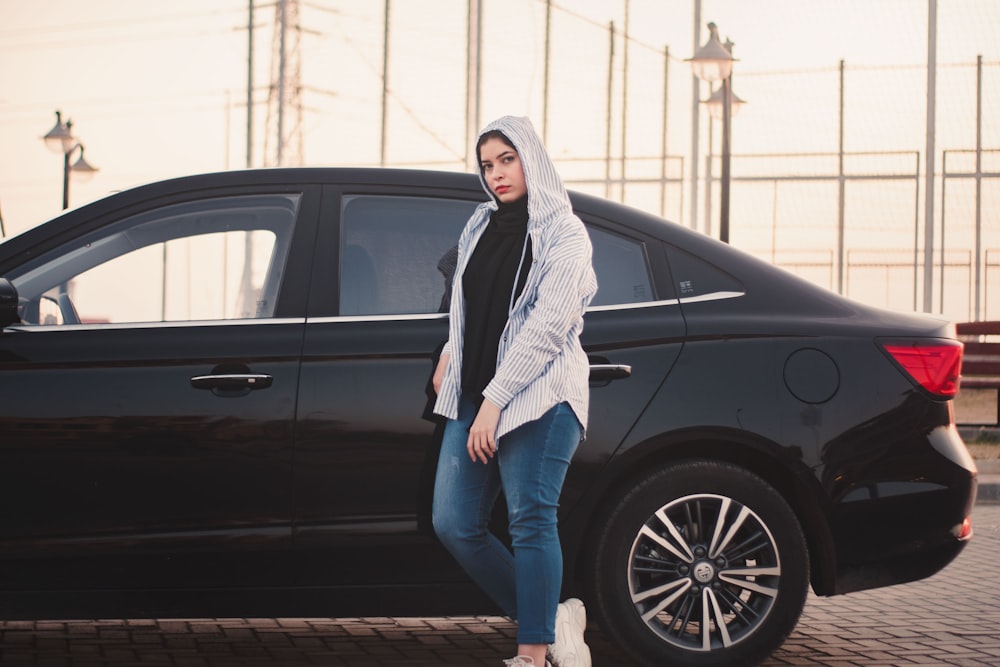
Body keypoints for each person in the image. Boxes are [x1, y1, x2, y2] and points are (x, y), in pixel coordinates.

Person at [431, 115, 597, 667]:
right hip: (476, 396)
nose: (497, 174)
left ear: (532, 158)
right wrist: (450, 353)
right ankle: (552, 621)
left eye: (507, 159)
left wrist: (495, 403)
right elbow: (466, 303)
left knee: (530, 519)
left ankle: (533, 655)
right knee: (454, 523)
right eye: (487, 165)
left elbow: (548, 324)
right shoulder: (478, 224)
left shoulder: (564, 232)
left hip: (540, 396)